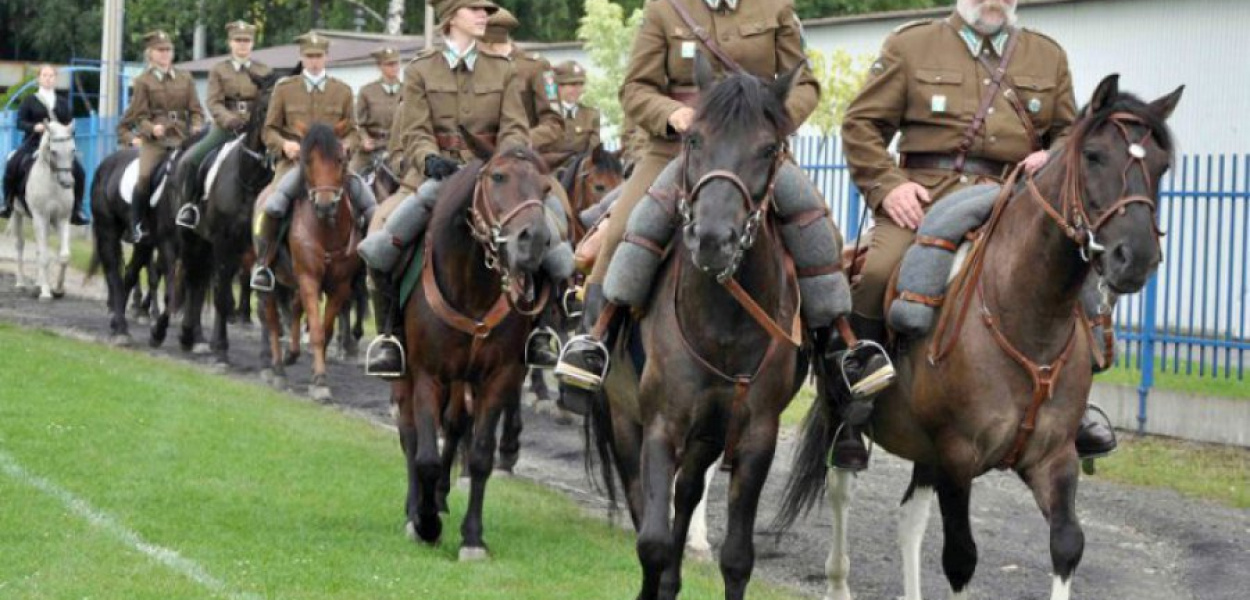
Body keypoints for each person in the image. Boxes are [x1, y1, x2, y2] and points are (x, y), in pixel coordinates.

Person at [553, 0, 891, 428]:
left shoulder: (776, 9)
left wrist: (770, 121)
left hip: (751, 151)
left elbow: (805, 83)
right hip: (680, 149)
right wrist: (672, 113)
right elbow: (635, 89)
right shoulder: (664, 10)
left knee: (819, 230)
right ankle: (594, 341)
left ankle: (836, 354)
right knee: (623, 228)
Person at [840, 0, 1115, 461]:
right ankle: (853, 399)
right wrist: (889, 188)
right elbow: (861, 125)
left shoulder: (1047, 55)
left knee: (1078, 280)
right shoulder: (911, 45)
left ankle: (1076, 408)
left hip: (1015, 201)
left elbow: (1071, 133)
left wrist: (1052, 156)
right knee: (876, 271)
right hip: (925, 197)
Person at [356, 0, 572, 378]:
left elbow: (516, 128)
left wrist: (499, 165)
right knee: (380, 243)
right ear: (450, 16)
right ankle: (390, 336)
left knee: (551, 238)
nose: (483, 14)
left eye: (485, 10)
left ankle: (540, 333)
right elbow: (415, 130)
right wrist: (428, 159)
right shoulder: (421, 70)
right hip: (435, 177)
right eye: (474, 8)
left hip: (495, 178)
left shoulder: (503, 70)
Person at [249, 31, 378, 292]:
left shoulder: (341, 91)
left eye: (319, 56)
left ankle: (367, 266)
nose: (314, 61)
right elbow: (268, 130)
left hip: (332, 169)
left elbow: (353, 130)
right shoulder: (285, 89)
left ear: (326, 57)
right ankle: (265, 262)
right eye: (309, 56)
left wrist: (347, 145)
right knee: (271, 206)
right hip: (296, 165)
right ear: (302, 57)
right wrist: (285, 145)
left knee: (370, 204)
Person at [176, 20, 272, 229]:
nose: (242, 45)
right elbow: (213, 102)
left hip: (255, 129)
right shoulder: (219, 70)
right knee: (191, 160)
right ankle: (190, 207)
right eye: (238, 40)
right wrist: (230, 120)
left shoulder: (264, 70)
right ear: (230, 43)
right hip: (225, 128)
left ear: (252, 44)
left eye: (246, 41)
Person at [119, 30, 204, 243]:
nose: (165, 54)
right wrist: (151, 129)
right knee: (145, 176)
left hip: (182, 138)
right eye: (160, 50)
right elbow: (138, 116)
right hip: (155, 143)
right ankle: (137, 224)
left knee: (200, 168)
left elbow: (196, 110)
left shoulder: (185, 78)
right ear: (150, 53)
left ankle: (193, 214)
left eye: (168, 50)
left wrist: (196, 125)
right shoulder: (143, 81)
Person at [1, 64, 89, 224]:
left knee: (80, 171)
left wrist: (65, 131)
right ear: (39, 79)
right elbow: (19, 122)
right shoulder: (30, 100)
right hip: (33, 143)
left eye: (51, 76)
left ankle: (77, 209)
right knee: (12, 163)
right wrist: (35, 127)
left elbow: (70, 126)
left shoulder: (63, 103)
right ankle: (7, 203)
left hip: (57, 147)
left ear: (55, 79)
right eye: (45, 76)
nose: (48, 79)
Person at [478, 8, 565, 167]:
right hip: (478, 158)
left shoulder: (535, 67)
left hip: (524, 162)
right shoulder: (474, 68)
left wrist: (520, 141)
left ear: (491, 44)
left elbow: (554, 124)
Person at [349, 46, 404, 177]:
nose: (394, 68)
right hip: (372, 149)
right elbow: (357, 123)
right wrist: (364, 139)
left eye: (396, 63)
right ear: (379, 66)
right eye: (389, 64)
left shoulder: (409, 91)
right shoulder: (367, 91)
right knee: (349, 178)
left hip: (400, 149)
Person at [541, 60, 600, 168]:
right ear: (559, 86)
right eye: (572, 85)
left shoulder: (591, 115)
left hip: (578, 174)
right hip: (549, 172)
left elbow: (593, 152)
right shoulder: (546, 114)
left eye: (581, 84)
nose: (577, 90)